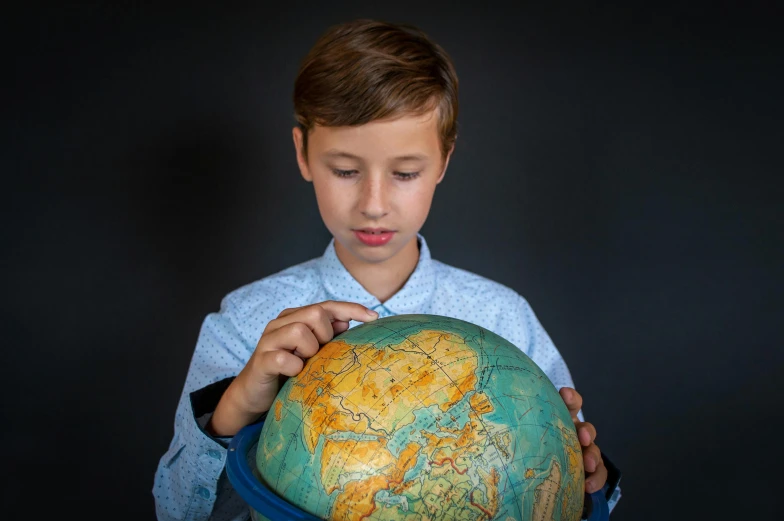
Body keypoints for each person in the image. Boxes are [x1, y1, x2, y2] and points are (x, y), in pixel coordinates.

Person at [153, 18, 620, 521]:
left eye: (405, 173)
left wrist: (585, 476)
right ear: (302, 153)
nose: (374, 204)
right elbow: (175, 510)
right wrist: (234, 409)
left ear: (443, 161)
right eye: (346, 170)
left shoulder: (505, 319)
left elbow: (567, 491)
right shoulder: (247, 324)